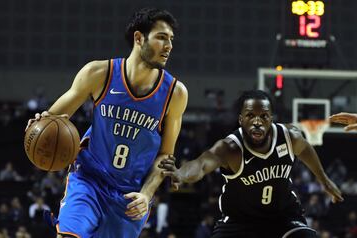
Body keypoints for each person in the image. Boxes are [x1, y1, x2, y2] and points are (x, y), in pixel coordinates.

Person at [25, 7, 188, 238]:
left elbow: (165, 155)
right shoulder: (99, 73)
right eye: (161, 37)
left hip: (130, 195)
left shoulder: (175, 94)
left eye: (171, 39)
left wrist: (147, 194)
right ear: (139, 38)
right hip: (89, 178)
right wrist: (39, 125)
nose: (169, 46)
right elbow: (53, 119)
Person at [159, 90, 343, 238]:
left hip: (283, 216)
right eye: (250, 116)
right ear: (241, 120)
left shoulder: (289, 137)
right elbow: (201, 164)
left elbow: (305, 150)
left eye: (264, 116)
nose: (257, 122)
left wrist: (325, 181)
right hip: (239, 222)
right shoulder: (230, 148)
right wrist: (181, 174)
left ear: (271, 118)